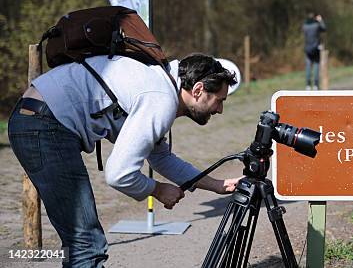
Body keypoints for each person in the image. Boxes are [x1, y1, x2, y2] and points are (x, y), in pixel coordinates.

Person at [8, 53, 241, 267]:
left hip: (38, 118)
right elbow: (119, 175)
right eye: (219, 100)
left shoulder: (159, 81)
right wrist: (157, 189)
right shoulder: (160, 98)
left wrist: (217, 185)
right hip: (44, 124)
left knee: (81, 241)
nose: (219, 109)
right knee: (85, 243)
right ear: (198, 89)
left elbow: (161, 158)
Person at [302, 12, 326, 90]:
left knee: (308, 67)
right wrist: (320, 20)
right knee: (316, 66)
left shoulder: (304, 26)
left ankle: (308, 85)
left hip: (307, 50)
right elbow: (324, 28)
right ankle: (316, 85)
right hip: (316, 49)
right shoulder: (316, 26)